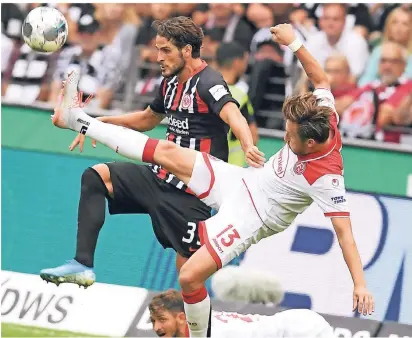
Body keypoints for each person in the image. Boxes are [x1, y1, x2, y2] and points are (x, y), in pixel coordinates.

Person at [51, 23, 375, 337]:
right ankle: (77, 120)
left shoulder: (327, 176)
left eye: (291, 139)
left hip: (254, 217)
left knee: (190, 278)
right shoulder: (324, 114)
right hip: (243, 182)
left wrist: (359, 284)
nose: (286, 141)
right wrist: (293, 42)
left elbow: (345, 235)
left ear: (312, 144)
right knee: (167, 151)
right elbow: (320, 78)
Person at [40, 16, 262, 289]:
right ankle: (82, 265)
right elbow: (148, 119)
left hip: (191, 194)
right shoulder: (169, 83)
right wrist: (103, 124)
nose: (158, 57)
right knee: (95, 177)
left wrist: (249, 145)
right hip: (159, 177)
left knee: (189, 275)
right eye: (157, 49)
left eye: (166, 50)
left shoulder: (208, 81)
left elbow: (233, 115)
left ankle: (192, 326)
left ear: (187, 50)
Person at [148, 289, 335, 338]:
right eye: (153, 321)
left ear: (182, 318)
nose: (157, 327)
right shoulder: (201, 326)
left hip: (300, 331)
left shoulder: (214, 333)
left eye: (162, 320)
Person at [215, 41, 259, 167]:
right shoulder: (238, 95)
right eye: (245, 61)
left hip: (202, 167)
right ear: (237, 62)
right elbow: (253, 134)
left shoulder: (201, 88)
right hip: (231, 168)